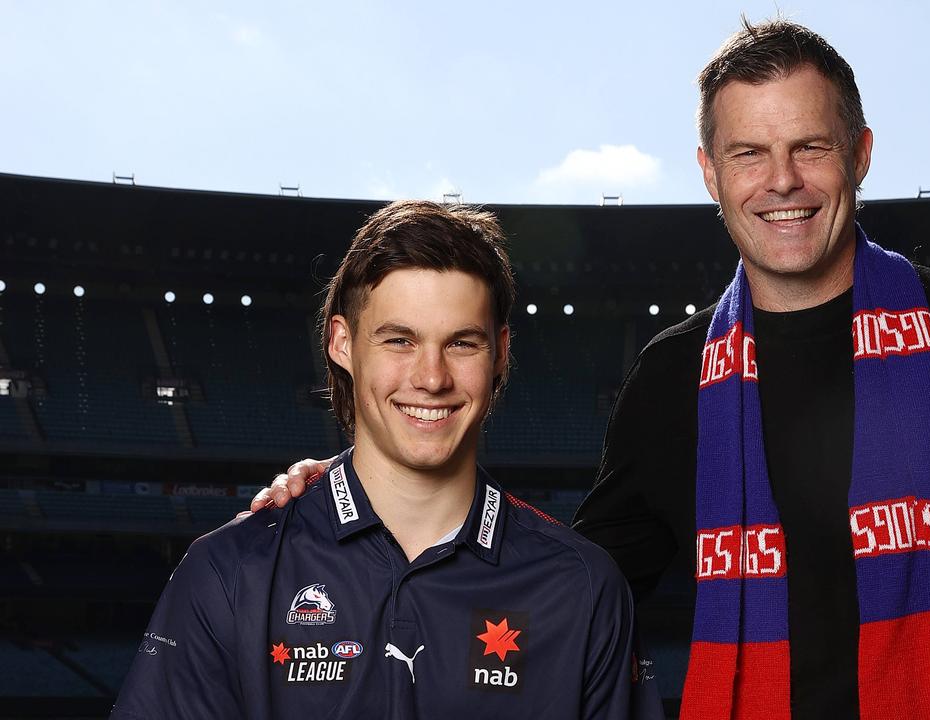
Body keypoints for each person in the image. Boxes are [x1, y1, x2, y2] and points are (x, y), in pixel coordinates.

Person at [255, 19, 930, 720]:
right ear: (711, 174)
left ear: (861, 152)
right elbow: (568, 585)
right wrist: (368, 489)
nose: (781, 182)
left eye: (811, 148)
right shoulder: (675, 377)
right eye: (749, 154)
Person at [116, 201, 654, 719]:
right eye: (400, 340)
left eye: (462, 343)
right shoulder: (231, 572)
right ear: (342, 343)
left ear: (502, 351)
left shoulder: (583, 586)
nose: (431, 378)